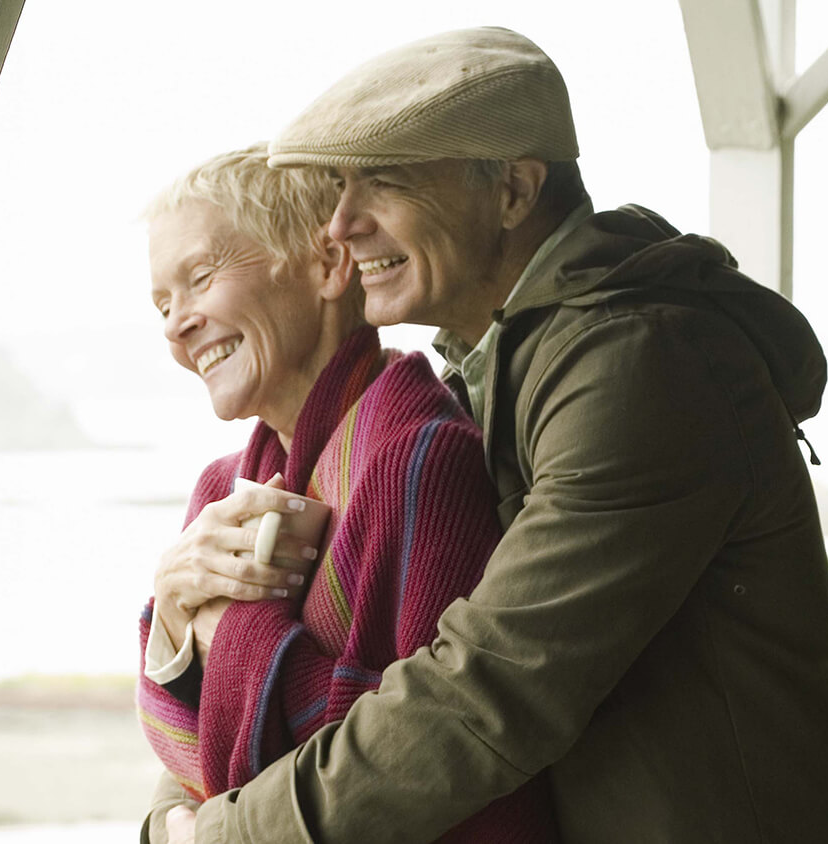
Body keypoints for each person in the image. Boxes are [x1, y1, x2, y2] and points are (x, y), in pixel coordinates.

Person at [165, 27, 828, 844]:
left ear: (512, 191)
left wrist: (229, 836)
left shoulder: (638, 365)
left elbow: (488, 689)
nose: (339, 224)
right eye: (337, 190)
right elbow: (358, 666)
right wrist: (183, 637)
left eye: (382, 185)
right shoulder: (495, 367)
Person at [135, 144, 559, 843]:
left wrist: (229, 633)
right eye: (162, 302)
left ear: (329, 266)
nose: (176, 323)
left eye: (201, 278)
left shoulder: (421, 457)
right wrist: (175, 626)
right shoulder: (221, 491)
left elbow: (404, 768)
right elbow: (190, 763)